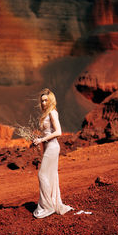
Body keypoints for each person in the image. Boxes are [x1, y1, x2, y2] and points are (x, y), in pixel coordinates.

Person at [33, 88, 73, 218]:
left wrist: (41, 139)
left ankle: (48, 207)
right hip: (47, 147)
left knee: (42, 175)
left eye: (46, 100)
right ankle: (52, 203)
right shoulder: (46, 114)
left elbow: (58, 132)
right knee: (50, 176)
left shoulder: (53, 113)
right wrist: (39, 141)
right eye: (42, 100)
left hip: (53, 146)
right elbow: (46, 132)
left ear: (51, 101)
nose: (43, 103)